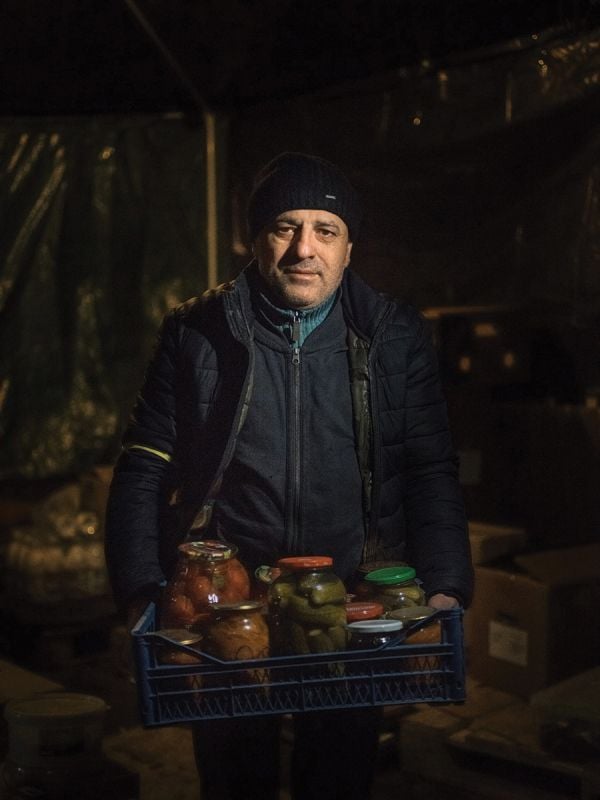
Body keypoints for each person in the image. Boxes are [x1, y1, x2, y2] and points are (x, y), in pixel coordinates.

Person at [105, 152, 473, 799]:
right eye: (285, 227)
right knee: (233, 777)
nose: (305, 248)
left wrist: (444, 585)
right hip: (228, 611)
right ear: (256, 239)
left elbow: (429, 469)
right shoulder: (197, 332)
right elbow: (143, 466)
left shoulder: (393, 335)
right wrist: (140, 586)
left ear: (349, 247)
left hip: (352, 607)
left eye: (325, 230)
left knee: (338, 775)